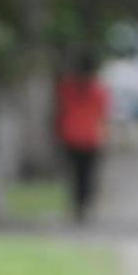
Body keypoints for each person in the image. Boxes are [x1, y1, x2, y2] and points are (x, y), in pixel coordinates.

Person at [56, 53, 110, 223]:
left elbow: (61, 109)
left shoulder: (67, 88)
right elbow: (103, 113)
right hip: (91, 137)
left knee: (74, 173)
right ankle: (85, 204)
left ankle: (76, 204)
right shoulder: (98, 90)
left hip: (71, 136)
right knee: (88, 174)